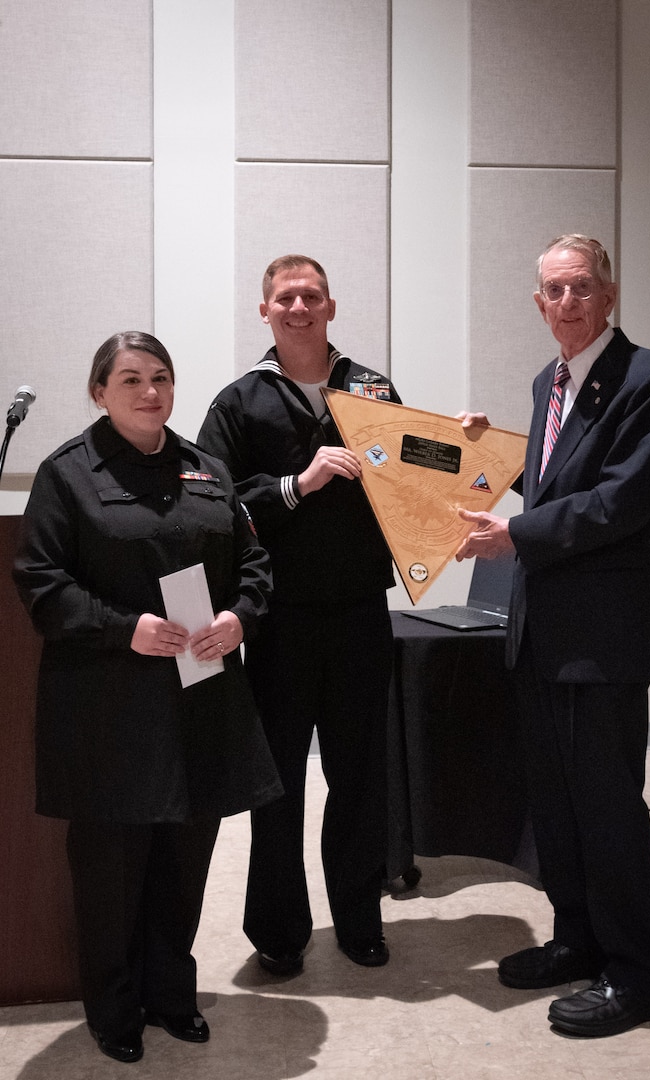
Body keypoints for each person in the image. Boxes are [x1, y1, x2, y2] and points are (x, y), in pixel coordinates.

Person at [13, 331, 282, 1064]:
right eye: (130, 379)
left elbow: (253, 563)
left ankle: (170, 992)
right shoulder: (68, 474)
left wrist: (237, 618)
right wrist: (122, 628)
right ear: (99, 391)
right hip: (108, 703)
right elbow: (42, 584)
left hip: (200, 697)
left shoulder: (207, 470)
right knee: (111, 865)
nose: (149, 392)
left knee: (183, 856)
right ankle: (114, 1005)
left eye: (160, 377)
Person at [456, 234, 650, 1038]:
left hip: (602, 639)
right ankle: (579, 938)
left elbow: (619, 504)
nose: (568, 303)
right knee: (556, 808)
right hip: (543, 632)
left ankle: (640, 974)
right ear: (537, 302)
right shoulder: (546, 381)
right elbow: (562, 478)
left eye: (581, 287)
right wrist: (491, 456)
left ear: (609, 293)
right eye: (553, 290)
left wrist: (514, 534)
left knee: (607, 811)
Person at [197, 255, 401, 975]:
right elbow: (214, 507)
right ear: (265, 311)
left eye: (312, 295)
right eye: (286, 297)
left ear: (331, 306)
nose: (299, 307)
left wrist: (461, 458)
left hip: (359, 615)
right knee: (277, 782)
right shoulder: (238, 401)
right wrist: (297, 483)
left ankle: (359, 918)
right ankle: (280, 932)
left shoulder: (370, 388)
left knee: (360, 776)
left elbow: (408, 482)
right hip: (279, 623)